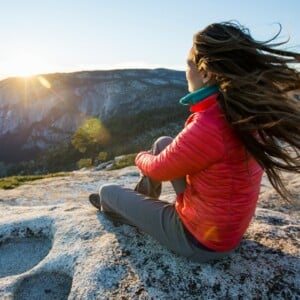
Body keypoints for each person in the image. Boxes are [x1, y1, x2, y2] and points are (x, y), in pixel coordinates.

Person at [89, 21, 300, 263]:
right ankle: (145, 197)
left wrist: (139, 157)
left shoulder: (210, 124)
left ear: (206, 73)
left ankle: (119, 209)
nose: (185, 72)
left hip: (200, 241)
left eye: (188, 65)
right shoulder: (244, 114)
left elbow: (158, 168)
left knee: (108, 192)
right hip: (224, 228)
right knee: (164, 142)